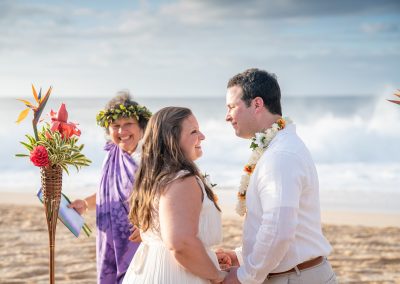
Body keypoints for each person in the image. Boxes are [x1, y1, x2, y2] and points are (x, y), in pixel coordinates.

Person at [219, 68, 337, 283]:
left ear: (257, 104)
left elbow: (279, 230)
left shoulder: (280, 156)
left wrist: (246, 276)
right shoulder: (276, 148)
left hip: (296, 278)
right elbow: (273, 225)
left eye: (232, 107)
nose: (227, 116)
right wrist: (239, 256)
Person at [122, 107, 228, 284]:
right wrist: (217, 275)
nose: (202, 136)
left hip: (152, 269)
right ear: (173, 140)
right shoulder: (182, 180)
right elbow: (180, 244)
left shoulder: (156, 177)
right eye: (194, 131)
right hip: (177, 275)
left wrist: (205, 257)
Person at [68, 91, 152, 284]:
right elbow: (109, 192)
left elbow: (164, 200)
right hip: (109, 238)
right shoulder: (112, 154)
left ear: (141, 126)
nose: (122, 131)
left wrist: (150, 228)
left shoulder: (151, 158)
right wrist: (86, 203)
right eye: (115, 126)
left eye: (128, 124)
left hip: (139, 237)